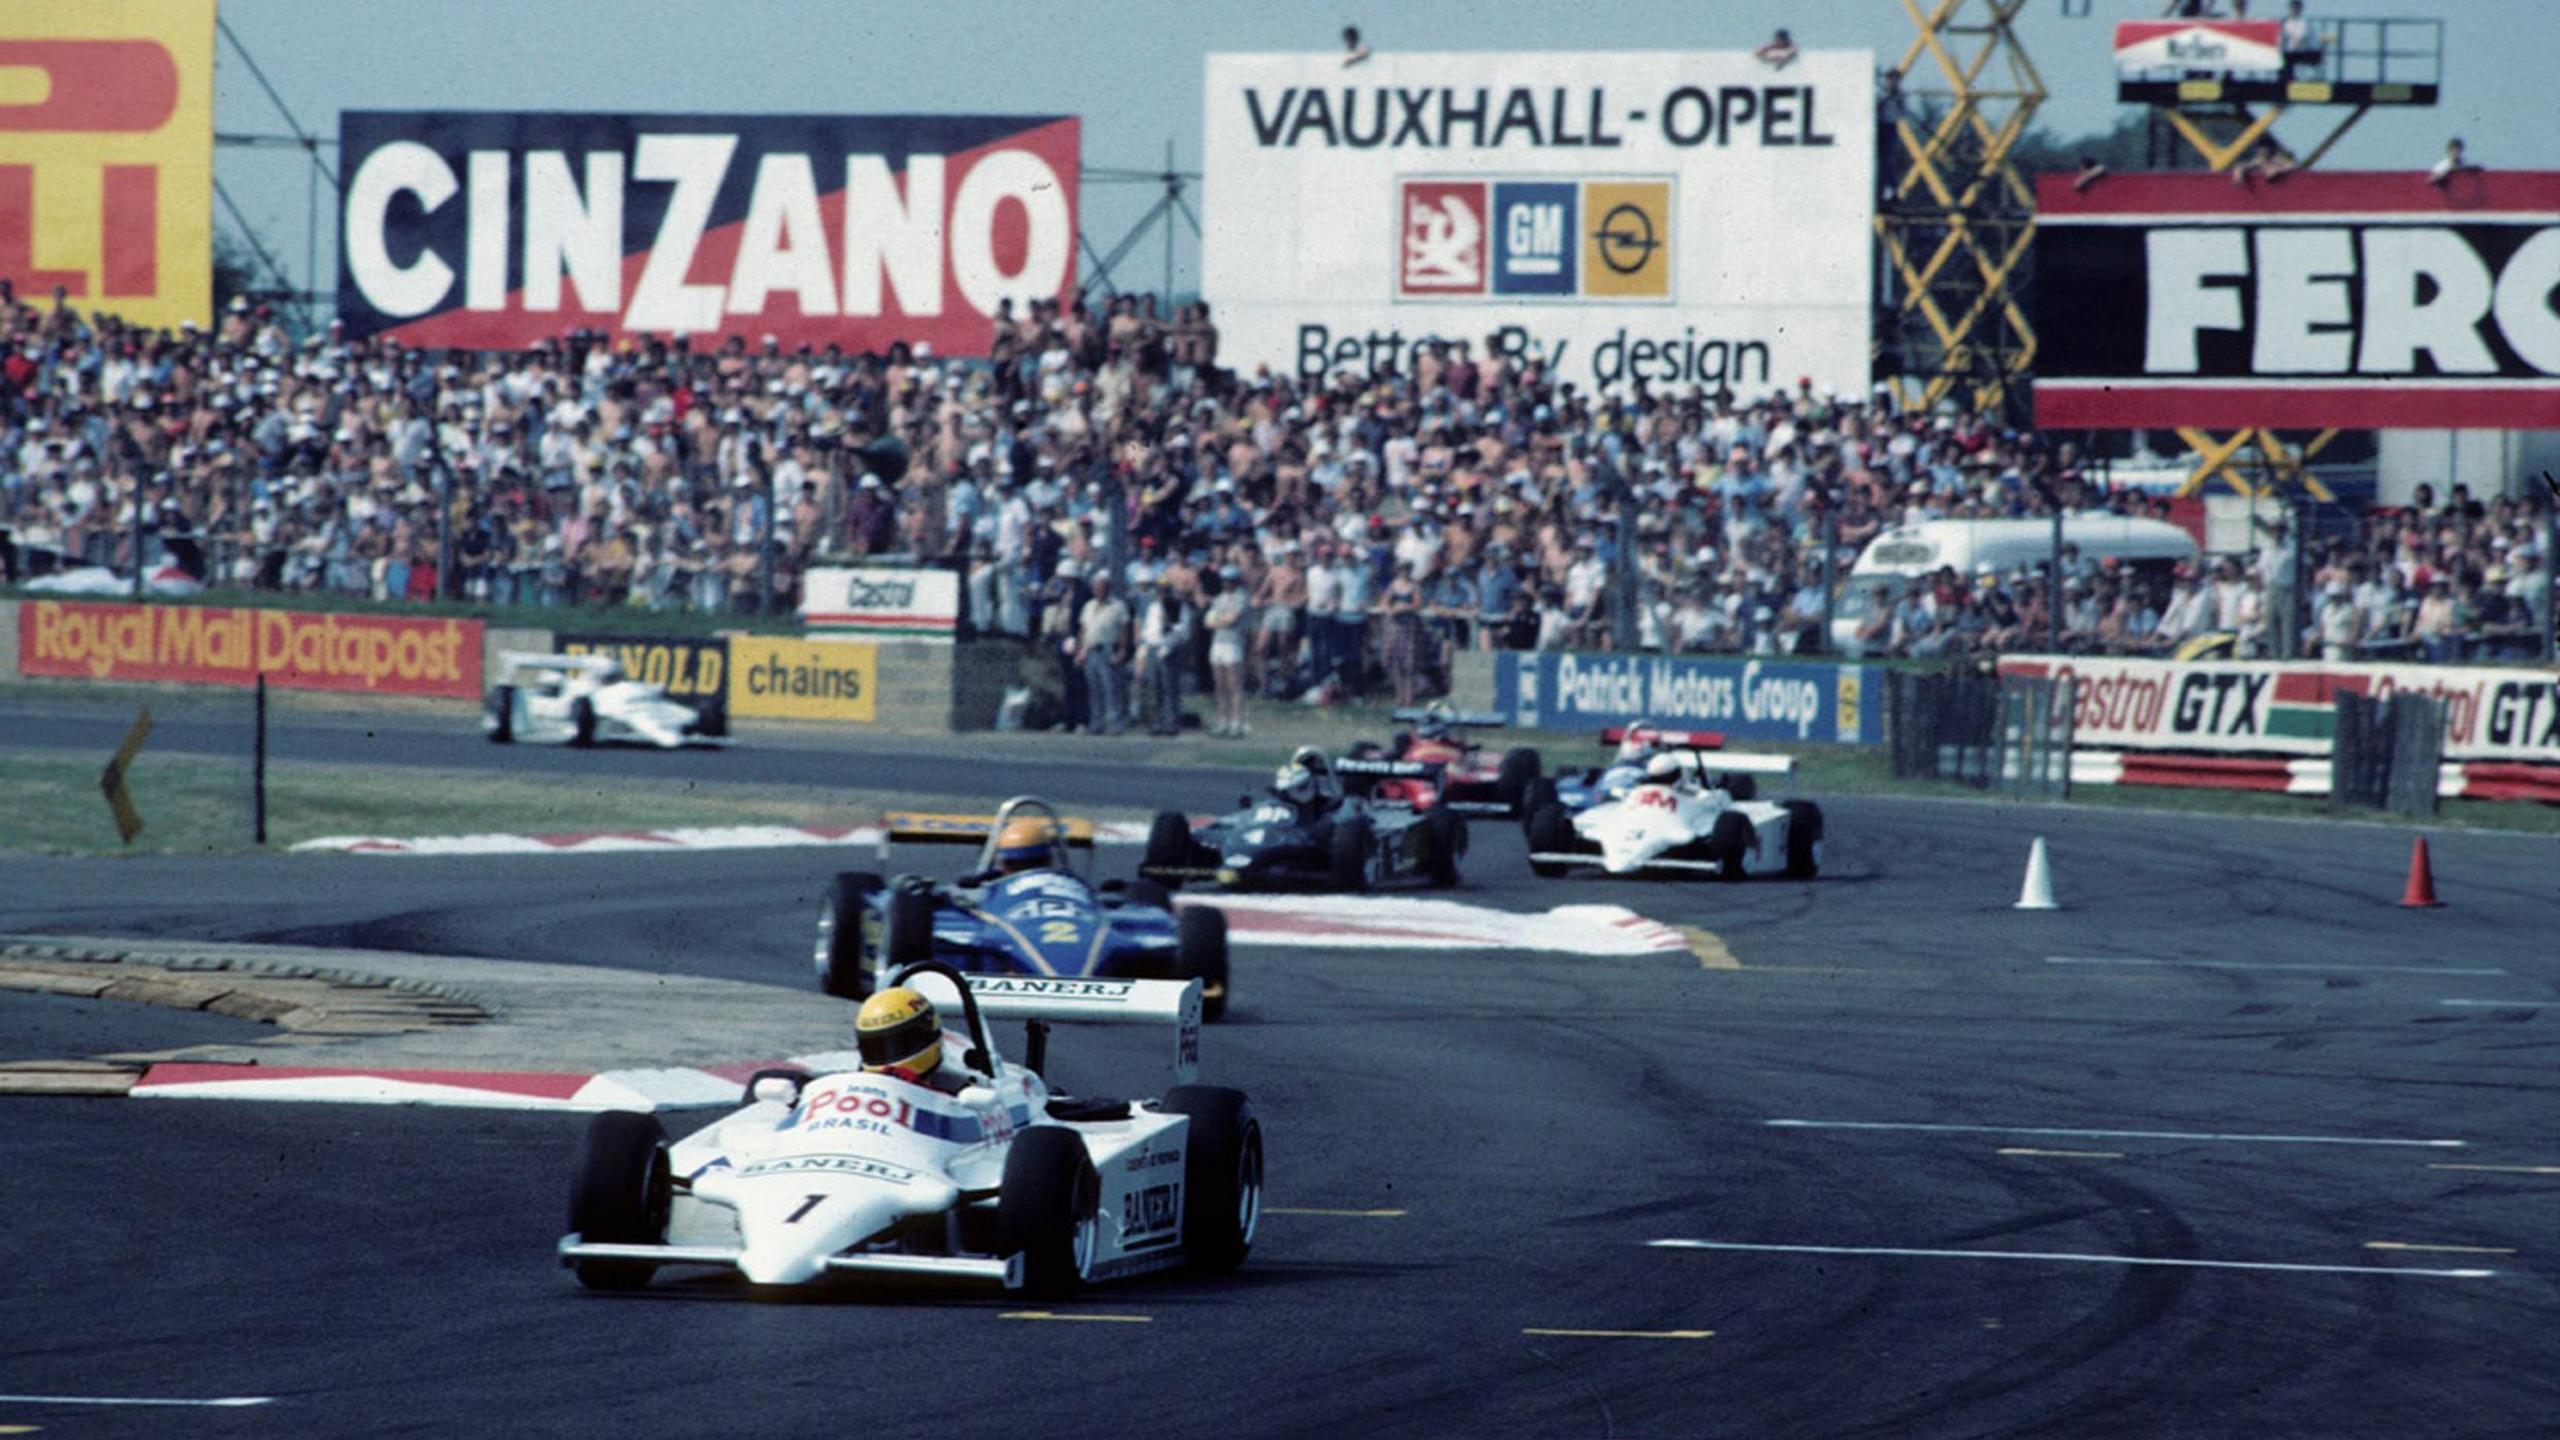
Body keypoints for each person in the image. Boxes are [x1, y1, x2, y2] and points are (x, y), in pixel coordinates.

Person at [855, 987, 970, 1095]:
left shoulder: (962, 1083)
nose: (884, 1054)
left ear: (923, 1036)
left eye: (897, 1045)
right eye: (873, 1048)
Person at [1204, 569, 1248, 737]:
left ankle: (1237, 723)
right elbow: (1208, 622)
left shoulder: (1241, 597)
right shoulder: (1219, 599)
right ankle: (1223, 721)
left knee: (1234, 685)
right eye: (1225, 580)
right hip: (1218, 643)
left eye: (1230, 580)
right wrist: (1221, 620)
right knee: (1220, 685)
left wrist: (1219, 620)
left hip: (1233, 643)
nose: (1227, 583)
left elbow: (1232, 619)